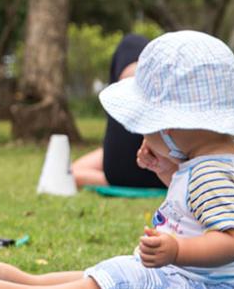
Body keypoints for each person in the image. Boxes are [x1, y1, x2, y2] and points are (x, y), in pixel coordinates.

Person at [0, 31, 234, 289]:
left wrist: (178, 250)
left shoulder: (212, 172)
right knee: (112, 272)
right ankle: (32, 282)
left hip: (206, 288)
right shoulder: (212, 159)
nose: (141, 134)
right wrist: (166, 172)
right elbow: (197, 209)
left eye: (145, 125)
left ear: (172, 125)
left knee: (119, 279)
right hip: (194, 280)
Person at [71, 34, 166, 189]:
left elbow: (72, 173)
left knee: (131, 43)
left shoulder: (117, 167)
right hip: (165, 171)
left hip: (121, 173)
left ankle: (135, 83)